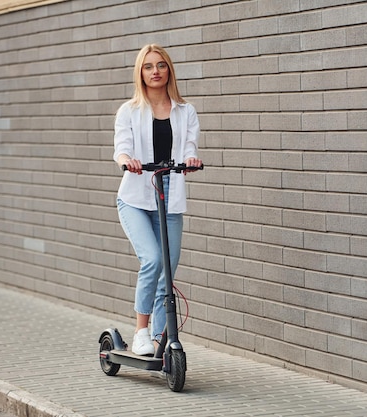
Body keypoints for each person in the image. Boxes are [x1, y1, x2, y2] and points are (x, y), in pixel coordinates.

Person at [113, 44, 202, 355]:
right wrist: (127, 159)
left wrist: (191, 160)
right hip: (135, 197)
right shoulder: (129, 111)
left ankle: (162, 339)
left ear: (169, 71)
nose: (155, 71)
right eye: (149, 66)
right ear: (141, 72)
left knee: (168, 270)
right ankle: (141, 330)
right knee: (152, 259)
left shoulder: (185, 111)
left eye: (161, 65)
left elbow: (189, 145)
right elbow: (121, 147)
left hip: (170, 199)